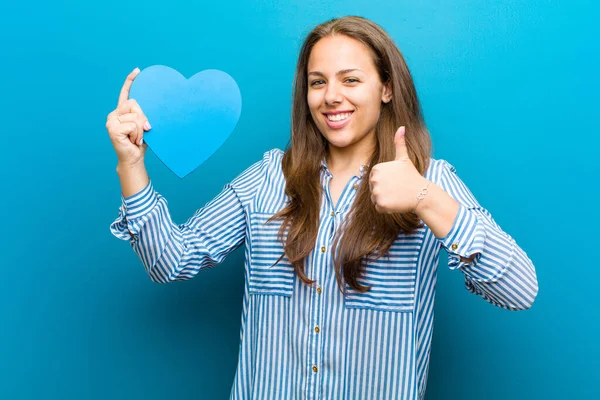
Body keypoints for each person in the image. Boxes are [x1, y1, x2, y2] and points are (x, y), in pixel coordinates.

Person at [106, 15, 538, 400]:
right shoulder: (267, 178)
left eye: (351, 80)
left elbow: (519, 291)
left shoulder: (431, 182)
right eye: (318, 82)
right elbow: (169, 261)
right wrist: (131, 165)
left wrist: (426, 199)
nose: (331, 96)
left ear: (386, 88)